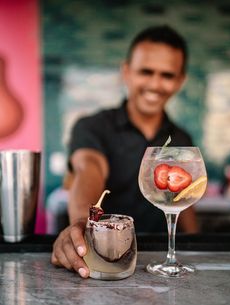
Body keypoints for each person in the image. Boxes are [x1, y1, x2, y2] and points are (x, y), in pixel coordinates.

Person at [51, 25, 200, 278]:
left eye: (167, 75)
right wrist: (81, 225)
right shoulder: (92, 127)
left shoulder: (182, 139)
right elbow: (89, 169)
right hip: (107, 260)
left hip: (158, 268)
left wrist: (198, 247)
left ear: (180, 81)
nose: (155, 83)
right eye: (146, 71)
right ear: (126, 72)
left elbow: (184, 203)